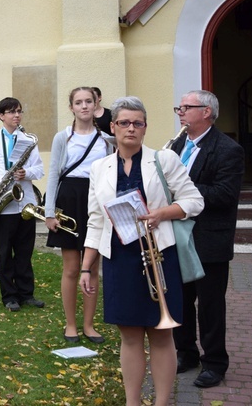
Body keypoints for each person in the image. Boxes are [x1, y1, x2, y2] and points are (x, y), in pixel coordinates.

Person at [79, 96, 204, 406]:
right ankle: (132, 402)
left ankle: (162, 403)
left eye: (137, 123)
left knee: (162, 336)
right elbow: (95, 220)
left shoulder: (164, 160)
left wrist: (161, 213)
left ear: (145, 127)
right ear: (113, 127)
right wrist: (86, 267)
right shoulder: (99, 167)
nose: (131, 128)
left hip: (159, 255)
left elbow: (194, 201)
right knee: (130, 335)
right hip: (119, 258)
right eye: (124, 122)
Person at [171, 90, 244, 389]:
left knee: (211, 305)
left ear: (206, 112)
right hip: (178, 235)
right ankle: (186, 353)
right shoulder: (177, 144)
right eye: (180, 107)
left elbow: (225, 195)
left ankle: (214, 363)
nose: (180, 111)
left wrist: (182, 192)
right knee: (182, 301)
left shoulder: (228, 149)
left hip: (208, 239)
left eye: (187, 107)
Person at [45, 87, 114, 344]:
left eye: (88, 101)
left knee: (92, 266)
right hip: (69, 199)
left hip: (95, 202)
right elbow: (53, 175)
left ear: (96, 103)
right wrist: (49, 213)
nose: (84, 106)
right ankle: (71, 324)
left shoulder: (107, 139)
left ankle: (89, 324)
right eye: (78, 102)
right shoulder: (63, 137)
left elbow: (111, 176)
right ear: (71, 107)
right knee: (72, 267)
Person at [0, 97, 45, 312]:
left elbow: (39, 169)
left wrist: (26, 172)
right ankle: (9, 296)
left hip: (26, 205)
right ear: (1, 115)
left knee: (24, 252)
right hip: (3, 205)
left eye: (19, 111)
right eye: (11, 112)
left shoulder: (29, 140)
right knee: (4, 253)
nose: (16, 115)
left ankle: (26, 294)